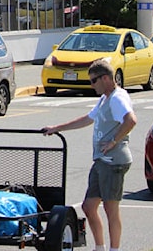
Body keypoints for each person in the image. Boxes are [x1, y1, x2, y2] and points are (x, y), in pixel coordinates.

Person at [42, 60, 137, 251]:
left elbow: (131, 120)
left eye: (94, 81)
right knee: (89, 206)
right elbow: (88, 119)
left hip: (113, 162)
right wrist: (57, 128)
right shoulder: (105, 98)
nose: (91, 85)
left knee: (111, 209)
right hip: (101, 161)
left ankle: (114, 249)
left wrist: (114, 141)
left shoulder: (117, 98)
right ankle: (99, 247)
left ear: (105, 78)